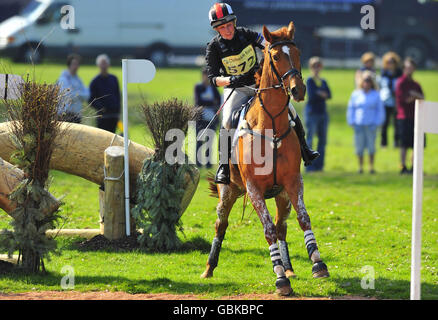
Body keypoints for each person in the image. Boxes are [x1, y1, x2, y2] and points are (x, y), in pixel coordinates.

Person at [205, 2, 318, 184]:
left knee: (291, 111)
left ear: (234, 22)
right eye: (221, 27)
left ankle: (305, 150)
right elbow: (213, 78)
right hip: (236, 89)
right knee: (226, 122)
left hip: (260, 86)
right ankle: (224, 167)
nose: (227, 30)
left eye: (228, 25)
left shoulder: (246, 34)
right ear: (216, 29)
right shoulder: (214, 47)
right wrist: (230, 80)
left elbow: (267, 43)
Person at [347, 71, 385, 174]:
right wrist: (352, 121)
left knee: (371, 147)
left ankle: (371, 167)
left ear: (372, 82)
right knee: (359, 147)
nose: (366, 83)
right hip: (359, 124)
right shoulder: (356, 94)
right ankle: (360, 167)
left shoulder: (376, 95)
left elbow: (380, 110)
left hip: (371, 124)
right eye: (365, 80)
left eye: (369, 81)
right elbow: (351, 108)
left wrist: (377, 123)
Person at [395, 57, 424, 174]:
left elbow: (422, 97)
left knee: (416, 143)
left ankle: (414, 167)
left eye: (411, 68)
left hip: (416, 117)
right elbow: (405, 99)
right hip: (404, 117)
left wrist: (414, 95)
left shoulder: (416, 84)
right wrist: (413, 96)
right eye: (407, 68)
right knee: (404, 144)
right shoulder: (400, 83)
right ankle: (403, 166)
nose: (409, 70)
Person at [304, 57, 331, 172]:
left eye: (318, 66)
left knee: (322, 140)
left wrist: (319, 93)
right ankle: (310, 167)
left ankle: (319, 166)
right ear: (311, 67)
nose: (316, 68)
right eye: (314, 66)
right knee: (310, 140)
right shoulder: (309, 81)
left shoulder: (323, 81)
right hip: (312, 113)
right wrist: (321, 93)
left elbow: (329, 95)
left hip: (323, 113)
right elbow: (312, 95)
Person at [194, 68, 221, 168]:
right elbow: (198, 101)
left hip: (212, 119)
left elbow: (218, 102)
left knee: (210, 141)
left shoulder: (214, 88)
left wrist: (207, 103)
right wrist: (211, 102)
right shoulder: (198, 87)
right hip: (200, 119)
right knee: (200, 141)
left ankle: (209, 163)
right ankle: (199, 163)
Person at [89, 54, 121, 133]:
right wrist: (101, 108)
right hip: (102, 117)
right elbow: (91, 99)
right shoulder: (95, 81)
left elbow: (118, 95)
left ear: (108, 64)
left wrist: (118, 110)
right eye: (102, 63)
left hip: (114, 115)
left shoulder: (114, 79)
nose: (104, 66)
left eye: (105, 63)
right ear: (98, 65)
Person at [57, 53, 89, 123]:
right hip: (65, 115)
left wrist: (76, 93)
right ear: (69, 65)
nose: (76, 66)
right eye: (74, 64)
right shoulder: (63, 79)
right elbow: (68, 95)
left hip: (77, 115)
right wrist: (80, 95)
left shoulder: (79, 80)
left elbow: (87, 95)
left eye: (77, 64)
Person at [379, 51, 402, 147]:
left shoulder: (400, 74)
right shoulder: (383, 74)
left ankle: (396, 142)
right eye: (388, 62)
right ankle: (384, 143)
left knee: (397, 123)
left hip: (397, 101)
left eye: (392, 62)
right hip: (385, 101)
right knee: (384, 123)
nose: (390, 64)